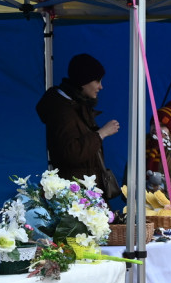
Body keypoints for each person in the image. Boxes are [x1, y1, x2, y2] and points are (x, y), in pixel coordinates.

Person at [36, 53, 120, 196]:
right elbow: (71, 153)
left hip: (84, 192)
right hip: (75, 195)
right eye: (97, 81)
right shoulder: (62, 110)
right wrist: (101, 134)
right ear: (83, 81)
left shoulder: (76, 105)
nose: (101, 86)